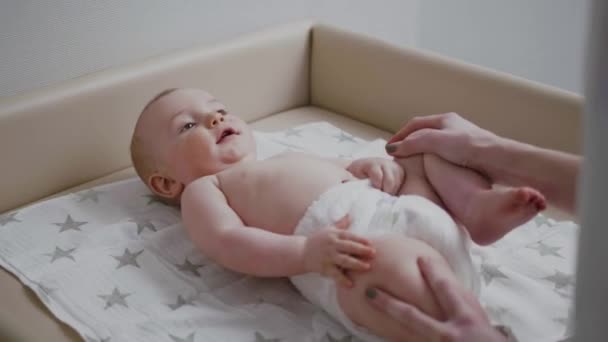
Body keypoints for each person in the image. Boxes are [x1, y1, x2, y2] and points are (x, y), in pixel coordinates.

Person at [129, 89, 546, 341]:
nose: (215, 118)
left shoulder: (286, 156)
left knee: (424, 146)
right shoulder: (205, 190)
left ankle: (474, 209)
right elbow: (228, 243)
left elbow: (345, 168)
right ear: (166, 182)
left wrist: (368, 168)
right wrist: (305, 254)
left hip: (407, 207)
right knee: (390, 270)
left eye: (217, 108)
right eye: (188, 126)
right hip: (353, 255)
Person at [367, 112, 582, 341]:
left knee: (421, 150)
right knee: (423, 151)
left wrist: (372, 166)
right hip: (417, 257)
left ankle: (473, 203)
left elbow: (345, 173)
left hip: (404, 230)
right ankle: (472, 204)